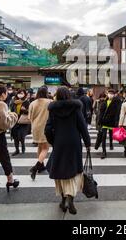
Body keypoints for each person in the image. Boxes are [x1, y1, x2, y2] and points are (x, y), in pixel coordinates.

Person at [45, 87, 91, 215]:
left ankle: (63, 199)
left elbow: (48, 129)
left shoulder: (53, 109)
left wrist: (53, 141)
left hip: (59, 142)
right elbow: (82, 126)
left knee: (60, 170)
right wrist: (87, 143)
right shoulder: (76, 108)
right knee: (74, 170)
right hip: (74, 142)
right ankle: (70, 198)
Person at [28, 86, 53, 180]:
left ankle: (41, 166)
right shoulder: (50, 102)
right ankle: (36, 167)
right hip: (45, 127)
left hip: (35, 127)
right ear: (46, 93)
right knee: (46, 148)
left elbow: (29, 117)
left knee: (40, 146)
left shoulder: (33, 103)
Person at [97, 89, 122, 159]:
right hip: (104, 122)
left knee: (111, 134)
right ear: (107, 94)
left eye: (111, 93)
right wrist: (99, 121)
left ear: (114, 95)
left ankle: (111, 144)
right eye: (109, 93)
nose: (110, 95)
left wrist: (117, 121)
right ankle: (104, 151)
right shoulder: (104, 102)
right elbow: (101, 112)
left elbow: (118, 112)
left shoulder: (116, 102)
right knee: (103, 136)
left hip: (112, 122)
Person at [9, 89, 31, 156]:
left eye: (22, 93)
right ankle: (17, 150)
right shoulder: (13, 102)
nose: (20, 94)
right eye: (19, 93)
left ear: (24, 94)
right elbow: (11, 110)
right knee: (15, 136)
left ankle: (23, 148)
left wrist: (25, 110)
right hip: (15, 121)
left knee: (21, 136)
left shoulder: (26, 102)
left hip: (23, 122)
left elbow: (30, 112)